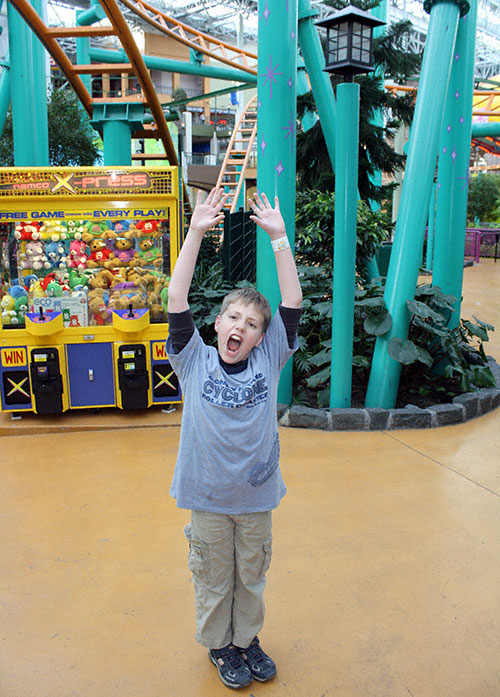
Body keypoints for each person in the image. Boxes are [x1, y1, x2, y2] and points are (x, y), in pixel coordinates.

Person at [166, 187, 302, 689]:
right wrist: (197, 230)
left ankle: (246, 639)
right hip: (206, 496)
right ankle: (219, 647)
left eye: (251, 323)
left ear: (262, 337)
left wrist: (280, 238)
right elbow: (176, 297)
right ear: (217, 323)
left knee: (252, 574)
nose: (240, 327)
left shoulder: (269, 357)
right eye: (233, 318)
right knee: (213, 575)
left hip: (256, 497)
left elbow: (292, 300)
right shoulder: (193, 358)